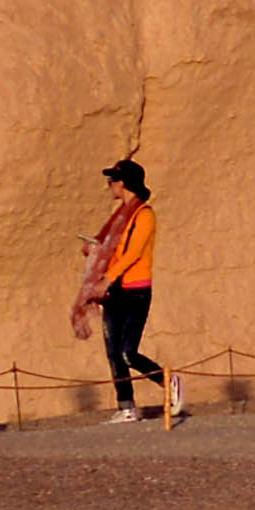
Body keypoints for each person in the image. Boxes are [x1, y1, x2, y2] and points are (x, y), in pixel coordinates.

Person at [72, 159, 186, 428]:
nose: (110, 185)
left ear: (125, 183)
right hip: (114, 290)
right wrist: (95, 251)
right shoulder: (119, 217)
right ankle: (126, 407)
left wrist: (107, 278)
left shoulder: (144, 215)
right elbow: (111, 249)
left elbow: (133, 253)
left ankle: (169, 381)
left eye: (113, 180)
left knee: (127, 352)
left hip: (135, 290)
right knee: (113, 352)